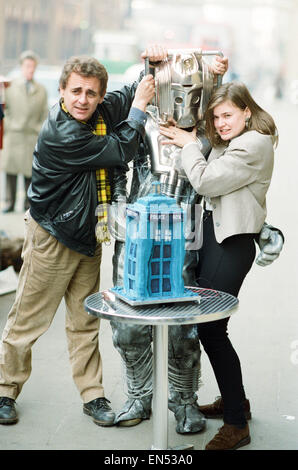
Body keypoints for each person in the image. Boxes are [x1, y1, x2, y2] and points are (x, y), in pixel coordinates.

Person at [110, 46, 283, 436]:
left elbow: (222, 111)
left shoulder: (208, 132)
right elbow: (118, 160)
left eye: (195, 91)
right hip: (138, 228)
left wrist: (259, 225)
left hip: (188, 231)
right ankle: (139, 395)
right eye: (176, 87)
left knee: (187, 325)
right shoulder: (142, 118)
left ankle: (184, 400)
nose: (185, 98)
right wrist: (116, 210)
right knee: (130, 322)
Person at [0, 51, 158, 426]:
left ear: (100, 96)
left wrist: (154, 64)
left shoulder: (101, 112)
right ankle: (5, 390)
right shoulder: (61, 131)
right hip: (52, 235)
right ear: (61, 91)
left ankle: (93, 395)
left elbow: (133, 90)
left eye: (91, 93)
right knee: (28, 320)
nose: (82, 99)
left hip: (89, 233)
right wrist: (137, 109)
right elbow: (122, 148)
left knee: (85, 323)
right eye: (75, 92)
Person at [159, 80, 279, 450]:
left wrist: (190, 145)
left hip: (233, 243)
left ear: (247, 110)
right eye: (216, 117)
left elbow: (206, 181)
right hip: (216, 238)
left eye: (228, 115)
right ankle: (235, 401)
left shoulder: (254, 144)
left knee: (212, 330)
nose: (222, 123)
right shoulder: (233, 142)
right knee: (211, 328)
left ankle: (236, 424)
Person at [1, 50, 48, 213]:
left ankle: (28, 204)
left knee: (30, 172)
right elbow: (4, 109)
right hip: (14, 134)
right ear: (21, 67)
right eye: (28, 66)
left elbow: (44, 113)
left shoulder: (41, 89)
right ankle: (9, 202)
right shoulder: (10, 86)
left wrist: (38, 128)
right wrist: (9, 125)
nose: (31, 69)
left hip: (31, 136)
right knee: (11, 171)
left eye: (33, 66)